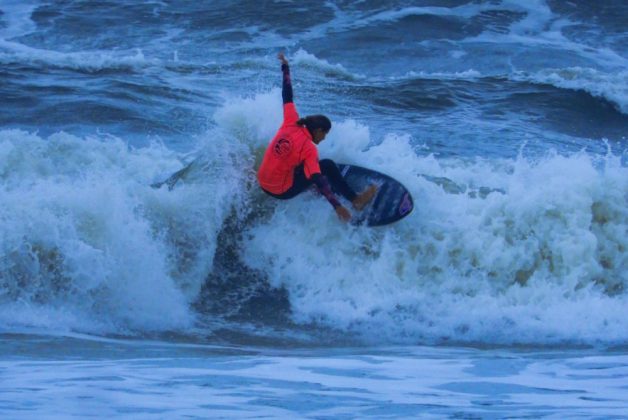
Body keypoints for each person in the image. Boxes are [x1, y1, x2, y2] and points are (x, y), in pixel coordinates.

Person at [257, 53, 377, 222]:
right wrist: (337, 206)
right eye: (325, 133)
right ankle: (356, 200)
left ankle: (306, 186)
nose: (324, 138)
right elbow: (317, 178)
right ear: (319, 130)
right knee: (326, 165)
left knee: (299, 163)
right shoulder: (308, 148)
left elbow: (287, 95)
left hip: (262, 182)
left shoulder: (291, 121)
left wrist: (285, 67)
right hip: (281, 192)